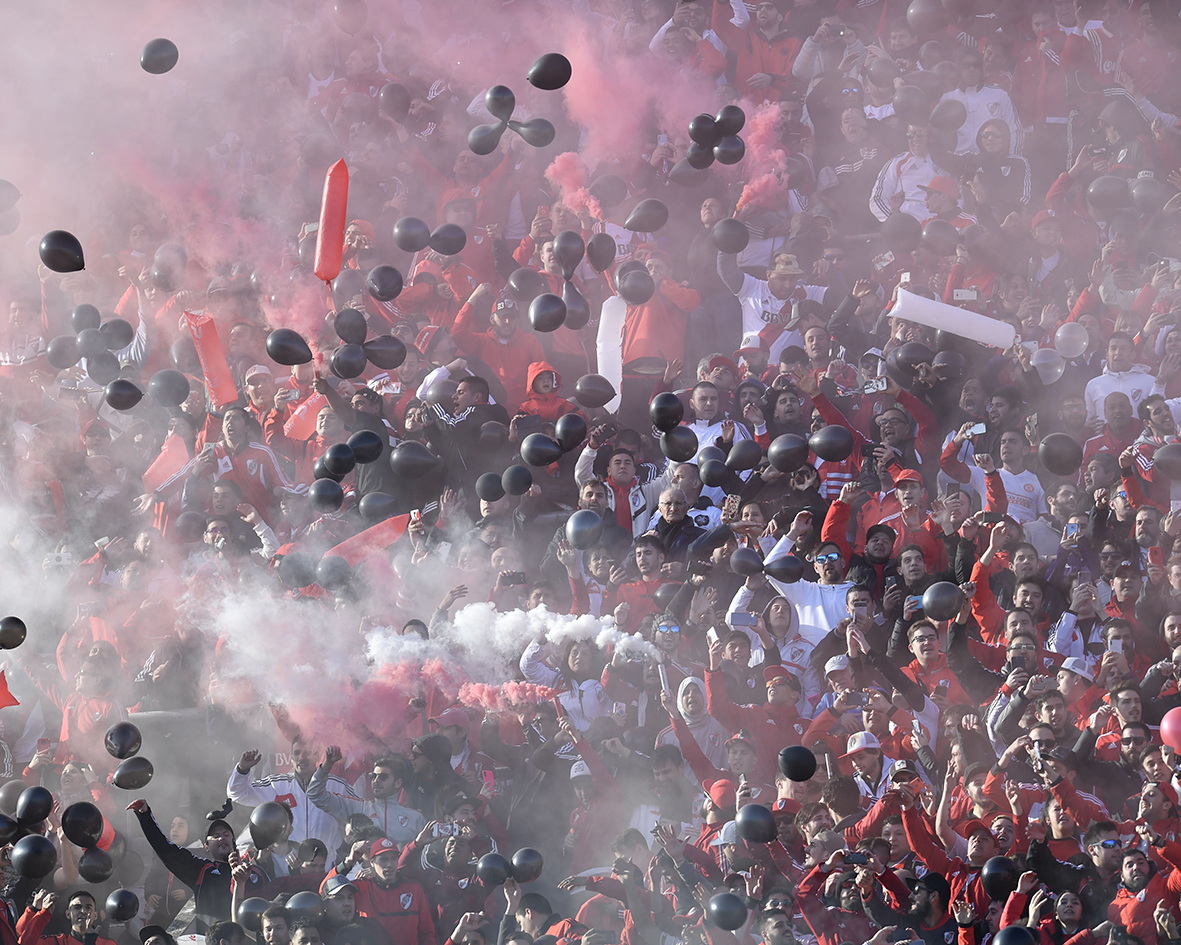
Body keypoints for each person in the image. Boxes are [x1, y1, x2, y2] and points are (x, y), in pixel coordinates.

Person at [128, 799, 268, 933]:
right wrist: (145, 816)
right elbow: (166, 850)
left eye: (226, 834)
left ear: (234, 841)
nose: (221, 838)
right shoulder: (202, 870)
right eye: (215, 836)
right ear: (206, 847)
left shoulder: (254, 871)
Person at [228, 736, 356, 855]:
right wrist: (242, 770)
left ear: (317, 755)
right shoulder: (277, 785)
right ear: (291, 758)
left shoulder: (337, 785)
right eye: (297, 753)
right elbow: (238, 793)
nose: (301, 758)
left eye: (307, 752)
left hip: (326, 867)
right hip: (286, 867)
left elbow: (361, 812)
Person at [307, 747, 426, 846]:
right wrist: (326, 765)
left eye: (383, 777)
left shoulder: (416, 818)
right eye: (373, 776)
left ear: (398, 783)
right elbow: (315, 794)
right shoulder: (359, 807)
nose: (376, 781)